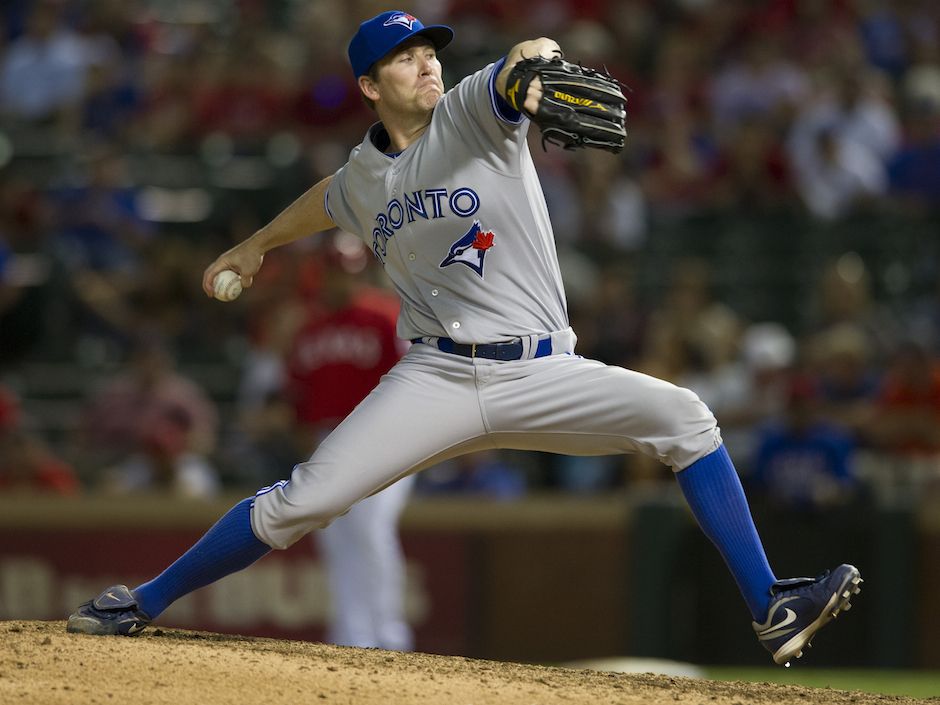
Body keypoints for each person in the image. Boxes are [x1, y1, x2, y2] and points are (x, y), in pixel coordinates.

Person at [67, 10, 861, 666]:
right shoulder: (362, 176)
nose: (425, 66)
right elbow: (327, 198)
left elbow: (526, 58)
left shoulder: (474, 112)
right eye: (404, 58)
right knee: (302, 502)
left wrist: (537, 65)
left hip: (544, 368)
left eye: (428, 52)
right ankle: (144, 600)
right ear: (370, 87)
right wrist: (258, 244)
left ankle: (772, 606)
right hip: (436, 378)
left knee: (688, 418)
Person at [285, 235, 414, 651]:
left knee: (372, 530)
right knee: (337, 539)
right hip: (330, 442)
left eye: (350, 270)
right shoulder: (309, 329)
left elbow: (413, 384)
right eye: (336, 270)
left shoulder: (385, 318)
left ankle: (389, 637)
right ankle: (352, 637)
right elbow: (300, 399)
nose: (343, 279)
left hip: (385, 440)